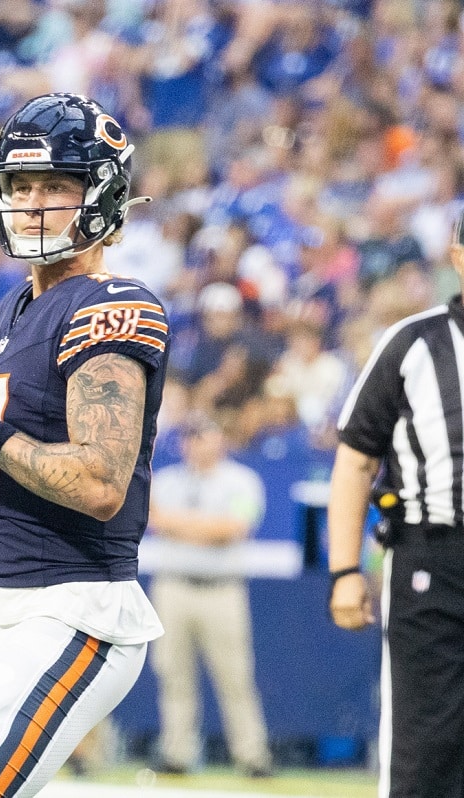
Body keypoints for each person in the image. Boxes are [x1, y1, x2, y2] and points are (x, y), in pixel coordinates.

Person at [0, 92, 168, 796]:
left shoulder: (110, 304)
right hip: (12, 608)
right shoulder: (19, 305)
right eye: (20, 186)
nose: (33, 203)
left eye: (56, 185)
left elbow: (100, 484)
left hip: (80, 611)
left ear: (101, 193)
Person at [328, 211, 464, 798]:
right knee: (426, 741)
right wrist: (343, 571)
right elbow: (356, 460)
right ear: (457, 258)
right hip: (434, 556)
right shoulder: (414, 342)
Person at [146, 415, 273, 777]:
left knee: (235, 675)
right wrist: (203, 526)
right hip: (174, 585)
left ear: (219, 440)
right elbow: (155, 521)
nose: (195, 444)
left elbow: (235, 527)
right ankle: (177, 753)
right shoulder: (167, 481)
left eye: (203, 436)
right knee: (173, 673)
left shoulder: (242, 481)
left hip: (222, 589)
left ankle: (252, 755)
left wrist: (180, 525)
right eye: (190, 437)